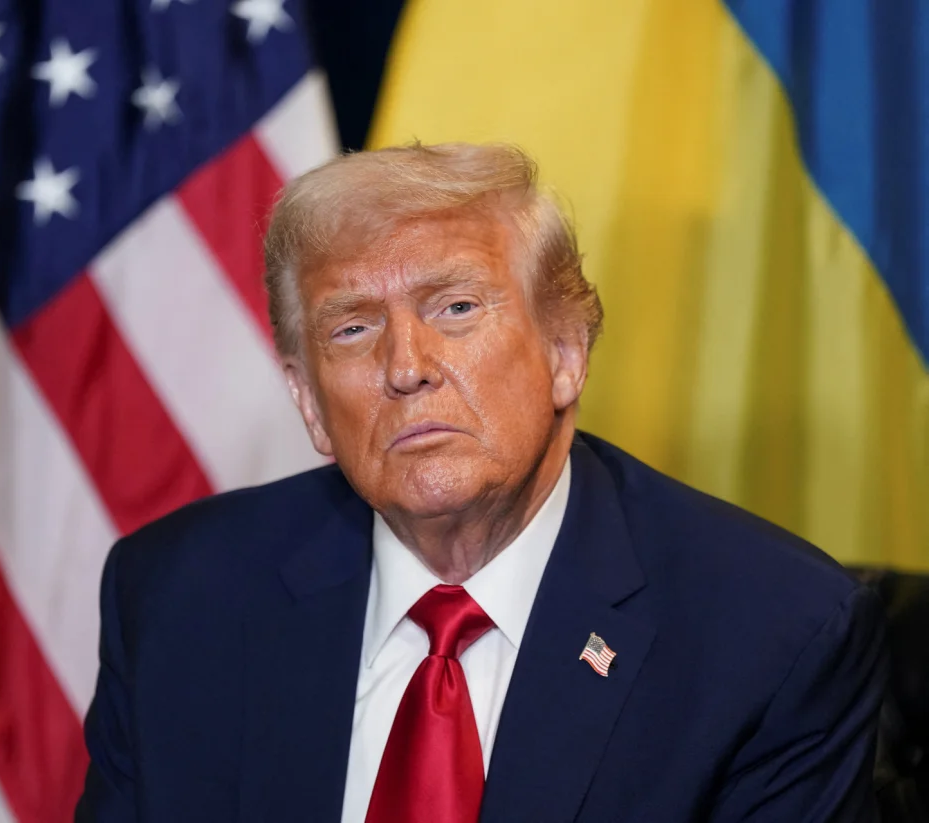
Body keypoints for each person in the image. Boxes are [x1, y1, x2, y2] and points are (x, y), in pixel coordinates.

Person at [74, 143, 887, 823]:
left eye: (456, 307)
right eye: (352, 328)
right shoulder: (179, 596)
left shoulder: (768, 633)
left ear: (565, 352)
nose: (405, 367)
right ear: (308, 401)